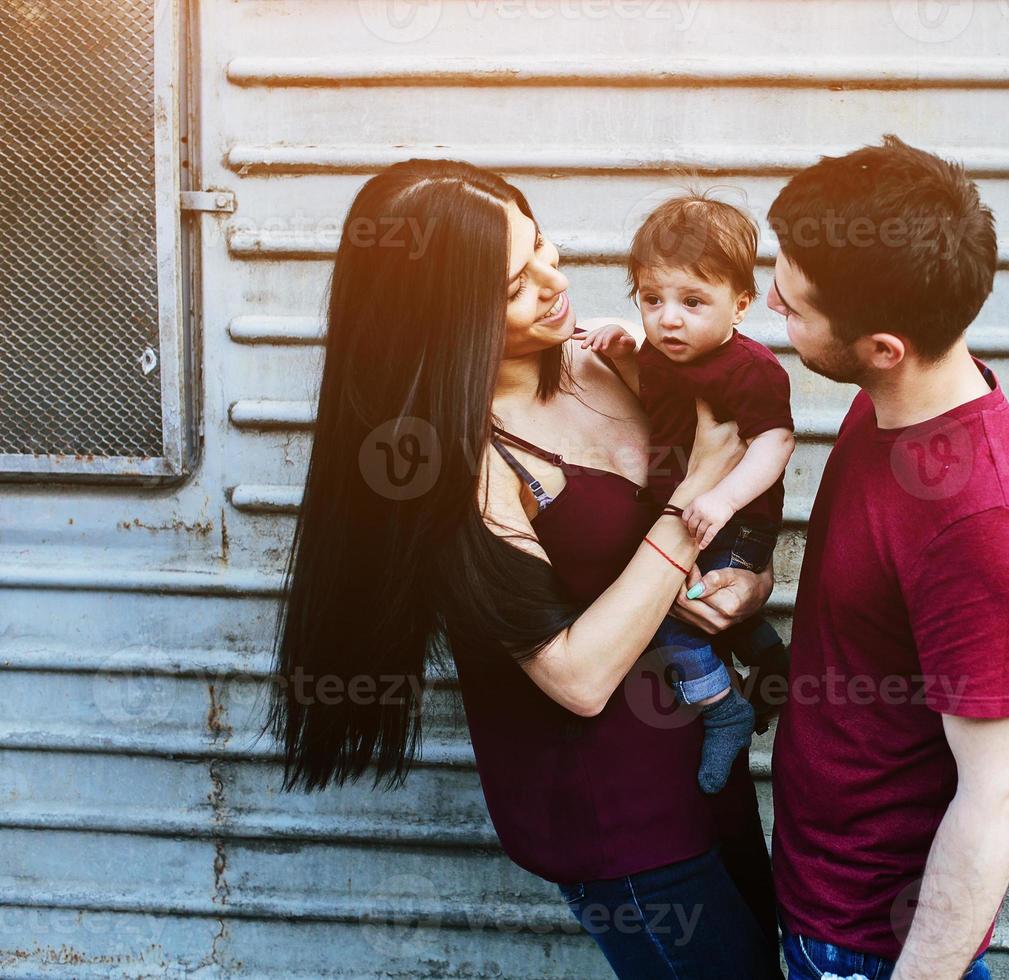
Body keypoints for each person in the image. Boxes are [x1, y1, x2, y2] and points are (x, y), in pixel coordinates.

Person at [265, 159, 783, 980]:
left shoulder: (605, 359)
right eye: (515, 284)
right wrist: (687, 515)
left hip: (704, 770)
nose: (555, 281)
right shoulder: (457, 470)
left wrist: (749, 582)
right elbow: (578, 679)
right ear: (445, 318)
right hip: (619, 822)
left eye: (542, 244)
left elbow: (736, 489)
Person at [766, 136, 1009, 979]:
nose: (769, 305)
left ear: (882, 347)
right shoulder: (893, 408)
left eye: (793, 307)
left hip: (869, 945)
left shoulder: (989, 524)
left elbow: (999, 793)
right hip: (813, 895)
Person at [581, 193, 795, 795]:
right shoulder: (665, 348)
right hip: (683, 509)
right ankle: (770, 658)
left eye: (693, 302)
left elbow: (775, 442)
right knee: (696, 606)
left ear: (741, 306)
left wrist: (723, 500)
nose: (668, 319)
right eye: (652, 300)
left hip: (733, 520)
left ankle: (723, 707)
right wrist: (622, 340)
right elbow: (653, 384)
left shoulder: (750, 370)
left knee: (668, 623)